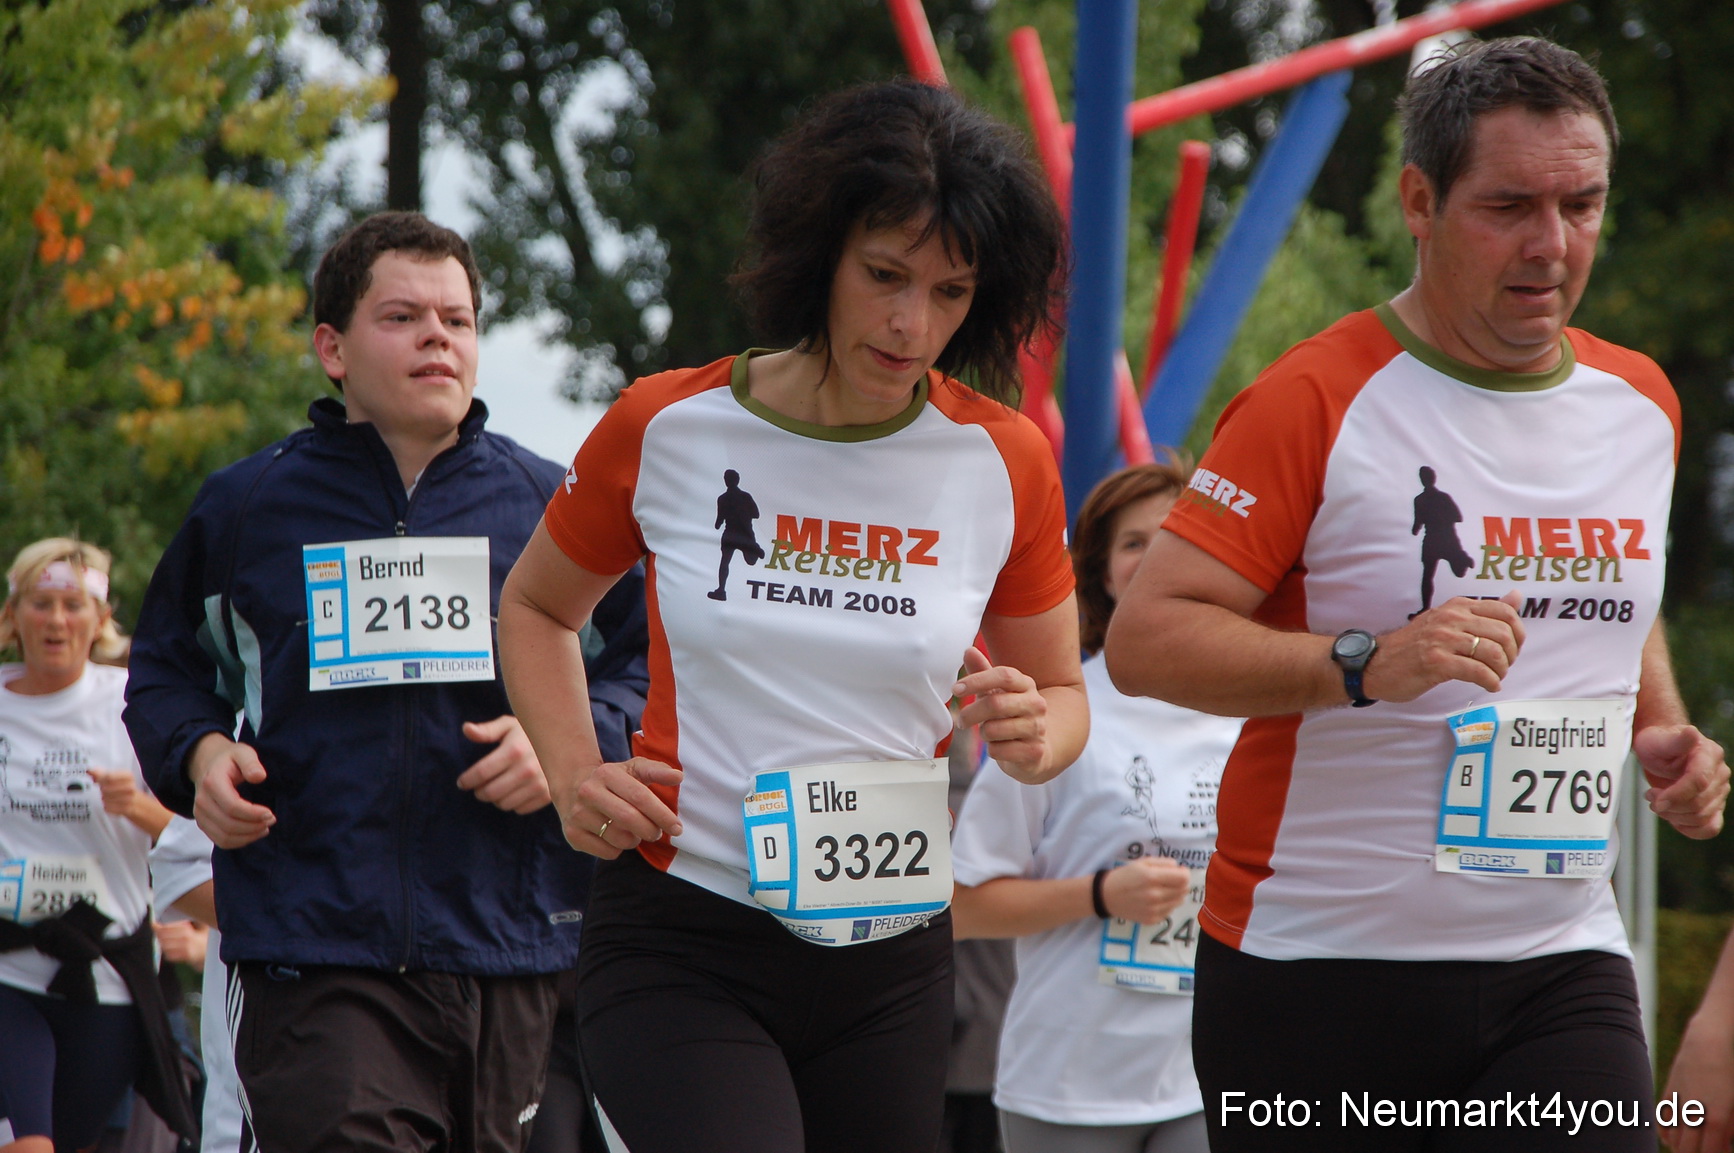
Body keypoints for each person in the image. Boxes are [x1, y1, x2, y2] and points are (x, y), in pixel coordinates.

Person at [1105, 36, 1729, 1153]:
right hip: (1316, 972)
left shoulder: (1641, 402)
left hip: (1558, 960)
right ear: (1418, 200)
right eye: (1509, 206)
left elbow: (1611, 599)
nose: (1552, 246)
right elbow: (1148, 640)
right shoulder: (1315, 397)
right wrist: (1358, 663)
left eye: (1583, 204)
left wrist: (1663, 727)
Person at [498, 79, 1082, 1153]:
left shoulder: (1006, 460)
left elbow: (1063, 695)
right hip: (686, 936)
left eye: (952, 291)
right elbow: (536, 604)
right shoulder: (666, 423)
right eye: (885, 276)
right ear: (821, 253)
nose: (913, 325)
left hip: (892, 954)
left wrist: (1040, 734)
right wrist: (577, 770)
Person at [124, 211, 648, 1153]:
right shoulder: (244, 506)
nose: (439, 336)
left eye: (458, 318)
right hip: (311, 940)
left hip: (512, 933)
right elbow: (164, 669)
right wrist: (199, 755)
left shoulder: (551, 504)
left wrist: (569, 744)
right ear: (332, 347)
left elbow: (647, 667)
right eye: (403, 317)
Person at [952, 462, 1241, 1153]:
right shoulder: (1059, 714)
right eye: (1134, 542)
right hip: (1070, 1082)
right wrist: (1100, 894)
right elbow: (963, 906)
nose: (1157, 556)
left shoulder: (1251, 713)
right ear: (1102, 574)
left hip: (1208, 1072)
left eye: (1176, 537)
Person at [0, 539, 196, 1153]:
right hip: (8, 967)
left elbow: (196, 834)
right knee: (29, 1144)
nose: (57, 620)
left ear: (99, 622)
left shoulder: (132, 704)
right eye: (41, 603)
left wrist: (137, 806)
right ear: (13, 616)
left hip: (105, 976)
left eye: (73, 605)